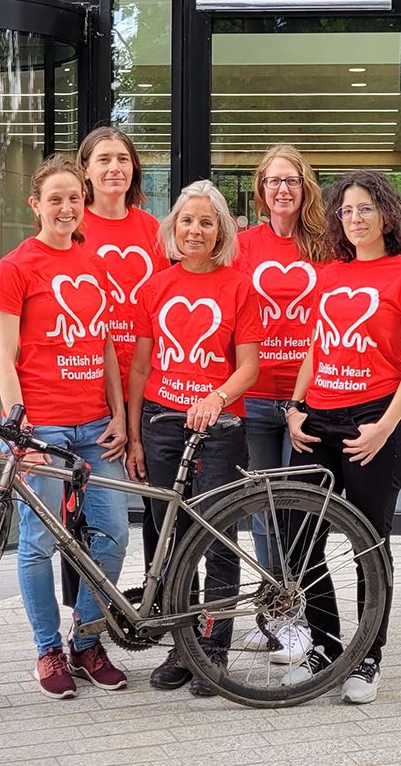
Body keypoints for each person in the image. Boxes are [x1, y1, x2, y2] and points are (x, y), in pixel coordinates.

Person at [281, 170, 401, 705]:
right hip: (318, 421)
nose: (355, 218)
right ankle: (325, 647)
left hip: (375, 422)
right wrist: (295, 408)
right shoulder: (329, 275)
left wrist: (383, 428)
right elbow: (315, 348)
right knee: (302, 540)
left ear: (387, 214)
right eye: (346, 210)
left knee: (369, 543)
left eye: (365, 208)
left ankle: (368, 657)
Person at [0, 155, 130, 700]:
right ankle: (48, 649)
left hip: (96, 426)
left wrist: (118, 413)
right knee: (38, 542)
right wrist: (17, 430)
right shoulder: (17, 266)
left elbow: (108, 348)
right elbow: (5, 356)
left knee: (113, 534)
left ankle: (87, 640)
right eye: (55, 199)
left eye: (75, 198)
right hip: (42, 426)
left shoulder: (95, 265)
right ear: (36, 205)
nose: (67, 208)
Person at [125, 180, 263, 697]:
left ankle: (215, 647)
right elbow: (140, 366)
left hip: (221, 428)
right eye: (187, 220)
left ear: (221, 230)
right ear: (173, 226)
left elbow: (249, 367)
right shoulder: (156, 287)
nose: (195, 230)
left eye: (206, 222)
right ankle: (182, 646)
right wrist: (137, 435)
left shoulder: (238, 285)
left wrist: (215, 398)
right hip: (161, 424)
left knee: (218, 539)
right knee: (172, 537)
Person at [58, 127, 169, 605]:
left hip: (147, 384)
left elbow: (169, 305)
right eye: (103, 159)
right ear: (86, 169)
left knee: (158, 504)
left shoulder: (153, 231)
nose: (114, 168)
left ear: (134, 169)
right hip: (87, 389)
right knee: (84, 511)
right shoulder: (72, 229)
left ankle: (159, 599)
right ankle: (84, 618)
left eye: (122, 159)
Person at [232, 145, 328, 664]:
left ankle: (301, 618)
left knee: (300, 515)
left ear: (305, 185)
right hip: (253, 397)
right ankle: (273, 614)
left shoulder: (326, 246)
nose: (282, 189)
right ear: (260, 189)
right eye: (272, 181)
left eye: (290, 180)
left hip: (305, 401)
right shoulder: (242, 245)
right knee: (264, 514)